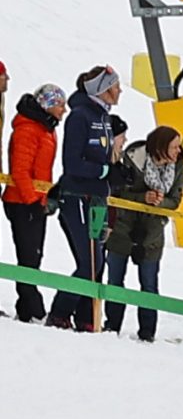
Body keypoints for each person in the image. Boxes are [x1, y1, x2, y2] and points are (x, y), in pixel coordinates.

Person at [45, 66, 119, 329]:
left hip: (96, 198)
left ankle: (85, 316)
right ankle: (59, 312)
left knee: (95, 262)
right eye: (115, 85)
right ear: (102, 89)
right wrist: (105, 171)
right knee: (91, 262)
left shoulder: (104, 117)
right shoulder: (80, 116)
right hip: (78, 196)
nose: (119, 91)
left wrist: (114, 174)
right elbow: (72, 163)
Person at [103, 123, 183, 340]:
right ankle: (111, 326)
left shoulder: (178, 167)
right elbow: (117, 192)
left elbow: (175, 201)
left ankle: (147, 332)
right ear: (160, 147)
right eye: (174, 147)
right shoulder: (132, 159)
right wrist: (142, 199)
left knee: (149, 284)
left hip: (153, 234)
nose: (178, 151)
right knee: (115, 280)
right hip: (122, 229)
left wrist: (160, 202)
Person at [6, 82, 66, 322]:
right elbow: (20, 171)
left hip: (34, 200)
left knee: (33, 255)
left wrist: (47, 194)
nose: (64, 109)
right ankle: (34, 308)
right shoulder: (28, 130)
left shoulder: (46, 128)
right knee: (28, 256)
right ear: (48, 105)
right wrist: (33, 200)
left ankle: (26, 308)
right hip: (21, 202)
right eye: (60, 104)